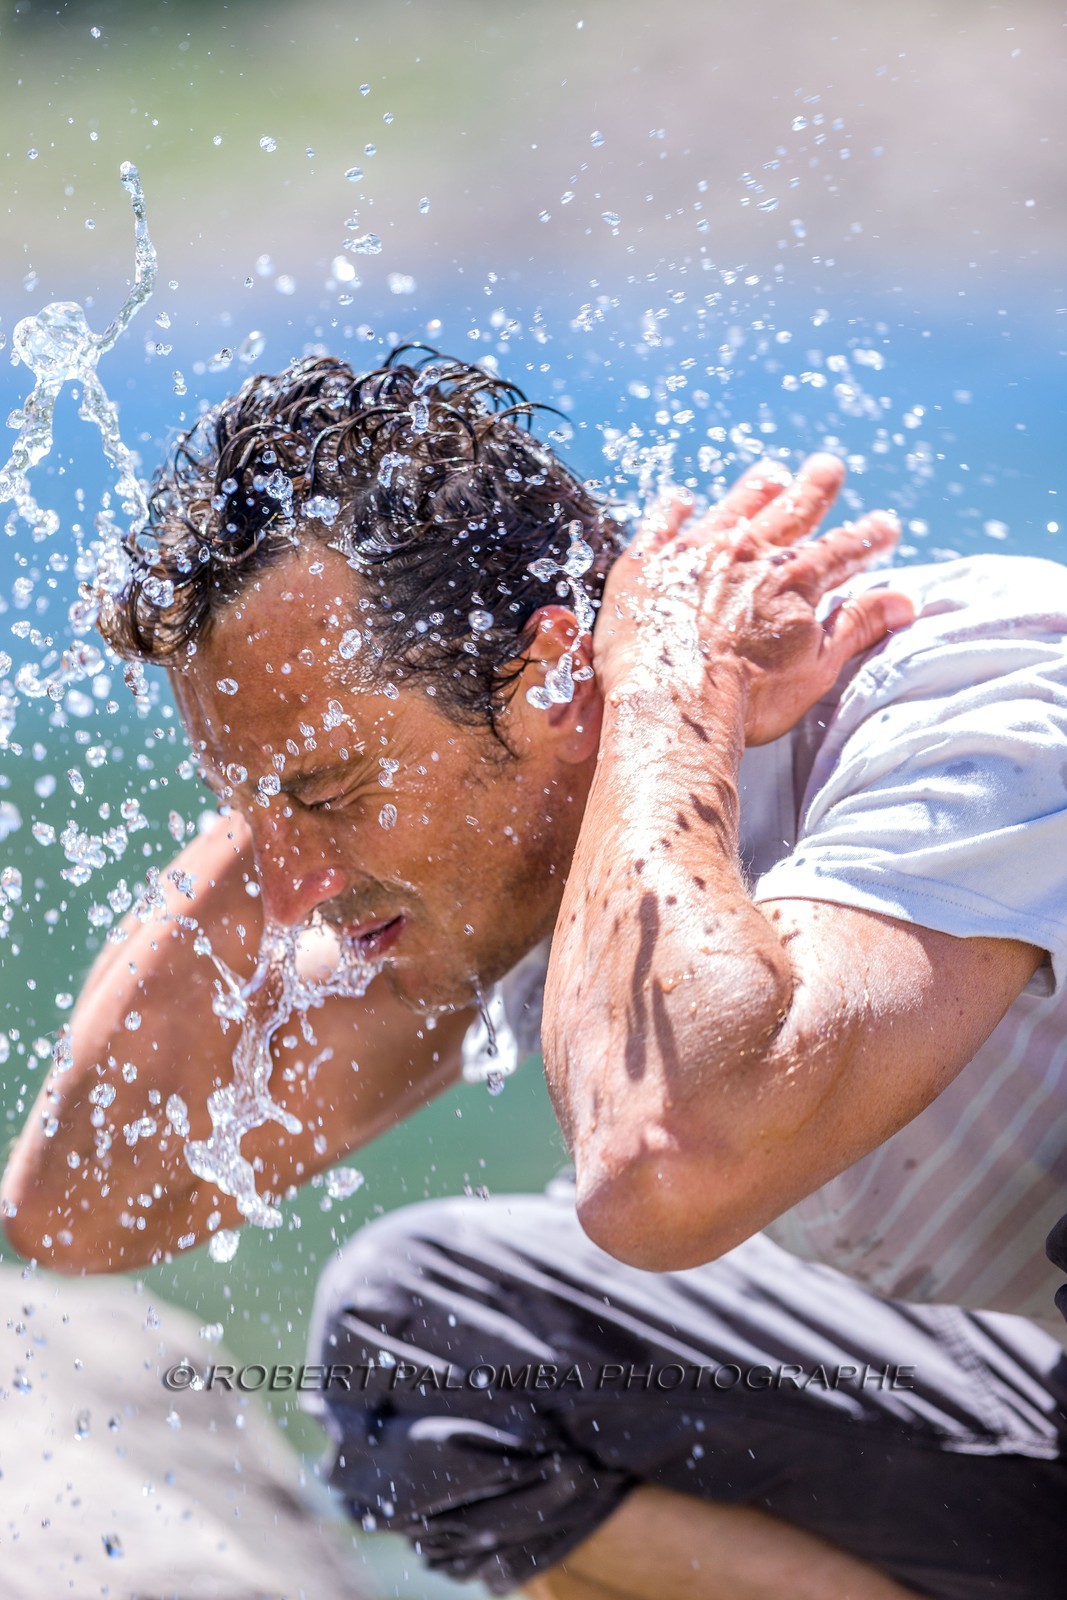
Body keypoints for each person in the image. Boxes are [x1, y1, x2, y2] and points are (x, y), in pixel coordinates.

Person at [4, 348, 1067, 1598]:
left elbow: (670, 1165)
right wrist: (278, 761)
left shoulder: (960, 689)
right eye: (246, 807)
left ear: (555, 674)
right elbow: (86, 1200)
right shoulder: (499, 861)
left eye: (333, 791)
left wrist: (666, 688)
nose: (287, 885)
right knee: (428, 1343)